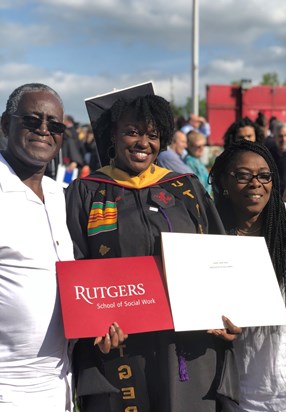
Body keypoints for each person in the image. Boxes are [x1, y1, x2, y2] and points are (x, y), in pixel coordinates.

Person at [65, 84, 241, 412]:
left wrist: (232, 315)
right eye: (132, 132)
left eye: (153, 134)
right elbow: (73, 265)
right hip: (120, 350)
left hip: (188, 348)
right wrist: (91, 329)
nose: (144, 143)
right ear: (113, 137)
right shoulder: (86, 193)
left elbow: (219, 256)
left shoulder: (185, 189)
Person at [209, 140, 286, 411]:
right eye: (243, 175)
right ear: (223, 184)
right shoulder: (209, 232)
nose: (256, 183)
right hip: (247, 387)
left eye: (264, 176)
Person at [0, 83, 75, 410]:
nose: (44, 130)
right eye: (32, 120)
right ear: (5, 124)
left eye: (55, 125)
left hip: (60, 388)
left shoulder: (61, 194)